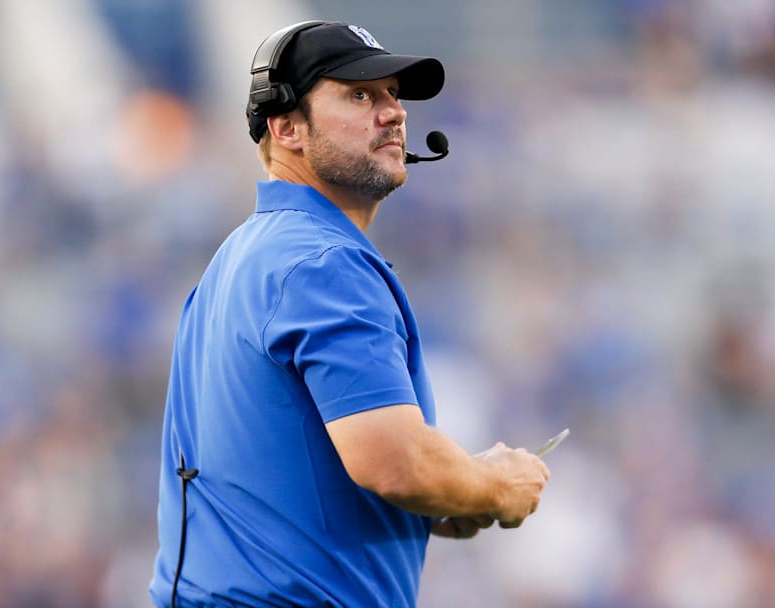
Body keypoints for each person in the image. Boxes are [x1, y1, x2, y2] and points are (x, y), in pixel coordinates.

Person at [149, 21, 551, 607]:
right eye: (359, 95)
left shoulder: (244, 257)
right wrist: (495, 485)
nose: (393, 113)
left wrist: (441, 501)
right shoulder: (324, 263)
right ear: (286, 127)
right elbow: (395, 463)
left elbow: (279, 473)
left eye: (392, 95)